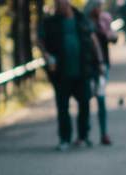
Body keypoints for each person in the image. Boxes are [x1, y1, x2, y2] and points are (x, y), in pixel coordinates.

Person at [38, 0, 104, 150]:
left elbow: (94, 40)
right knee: (63, 108)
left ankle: (83, 136)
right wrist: (46, 55)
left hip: (82, 71)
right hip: (61, 73)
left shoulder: (81, 19)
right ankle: (64, 138)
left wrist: (99, 61)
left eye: (60, 2)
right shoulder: (50, 22)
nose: (58, 6)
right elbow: (40, 40)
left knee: (84, 104)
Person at [85, 0, 118, 146]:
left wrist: (109, 32)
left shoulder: (104, 21)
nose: (100, 9)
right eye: (98, 6)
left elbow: (113, 38)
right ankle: (84, 133)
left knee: (101, 99)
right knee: (85, 99)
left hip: (103, 65)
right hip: (88, 66)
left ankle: (104, 133)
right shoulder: (84, 22)